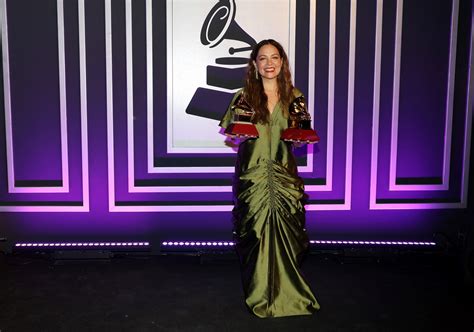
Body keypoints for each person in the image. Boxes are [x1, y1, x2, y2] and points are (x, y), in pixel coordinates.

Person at [219, 39, 320, 318]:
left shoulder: (295, 96)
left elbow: (299, 140)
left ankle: (291, 295)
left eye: (274, 57)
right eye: (262, 58)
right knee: (255, 235)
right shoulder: (243, 97)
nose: (269, 63)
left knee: (288, 235)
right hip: (253, 178)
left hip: (284, 176)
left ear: (282, 63)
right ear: (254, 65)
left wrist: (298, 137)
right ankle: (260, 294)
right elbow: (234, 137)